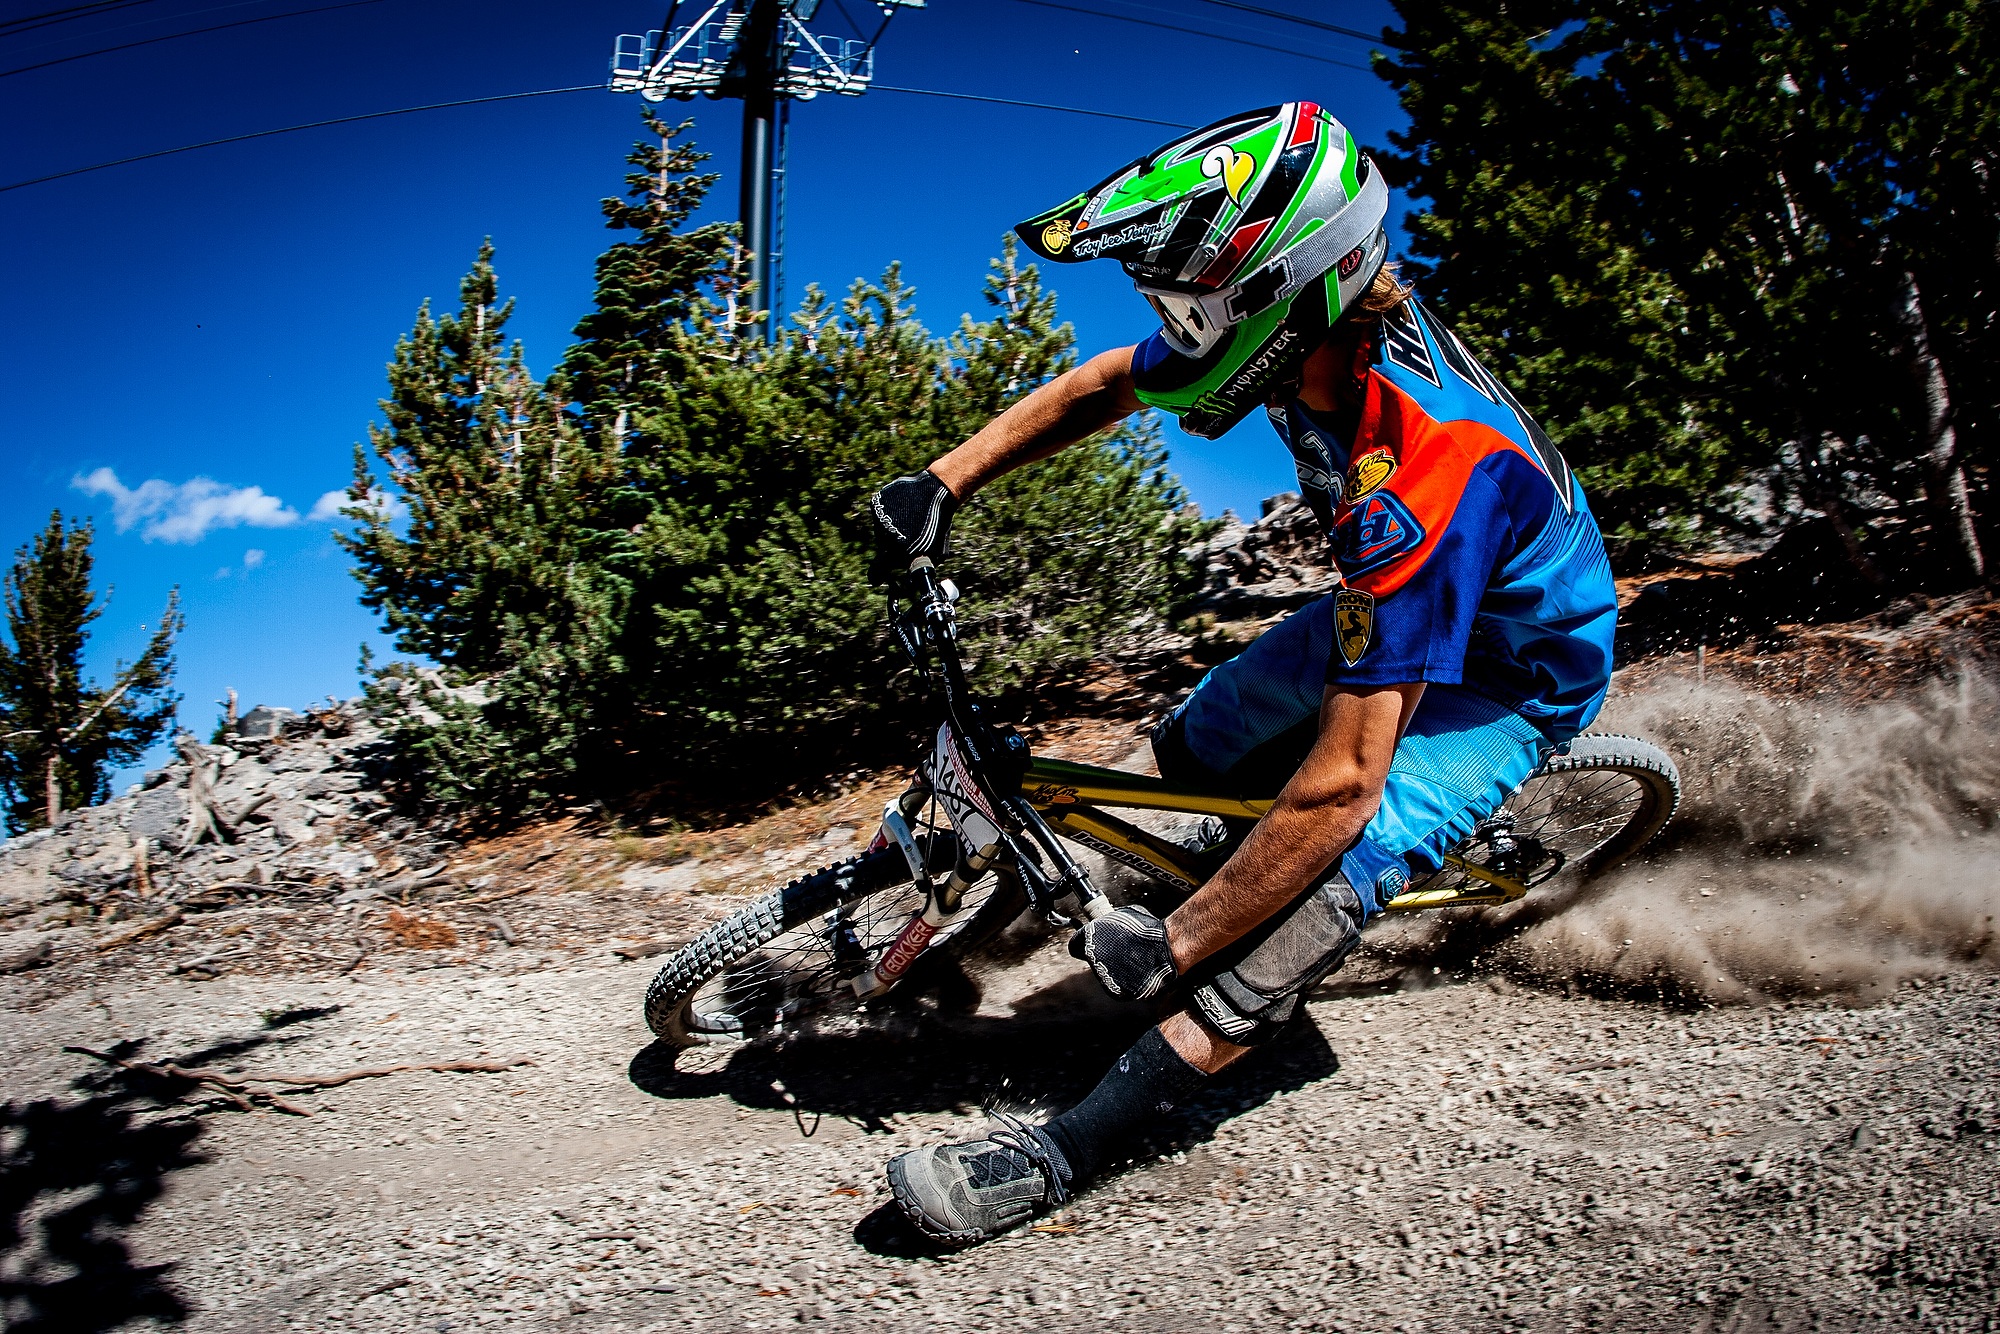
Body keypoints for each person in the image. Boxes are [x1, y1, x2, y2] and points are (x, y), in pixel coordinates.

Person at [867, 102, 1618, 1245]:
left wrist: (1172, 942)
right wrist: (942, 480)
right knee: (1197, 734)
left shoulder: (1420, 470)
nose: (1166, 331)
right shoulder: (1299, 335)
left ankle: (1068, 1148)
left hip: (1514, 668)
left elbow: (1341, 787)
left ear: (1276, 297)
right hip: (1406, 592)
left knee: (1326, 880)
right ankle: (1131, 892)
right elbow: (1105, 384)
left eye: (1185, 309)